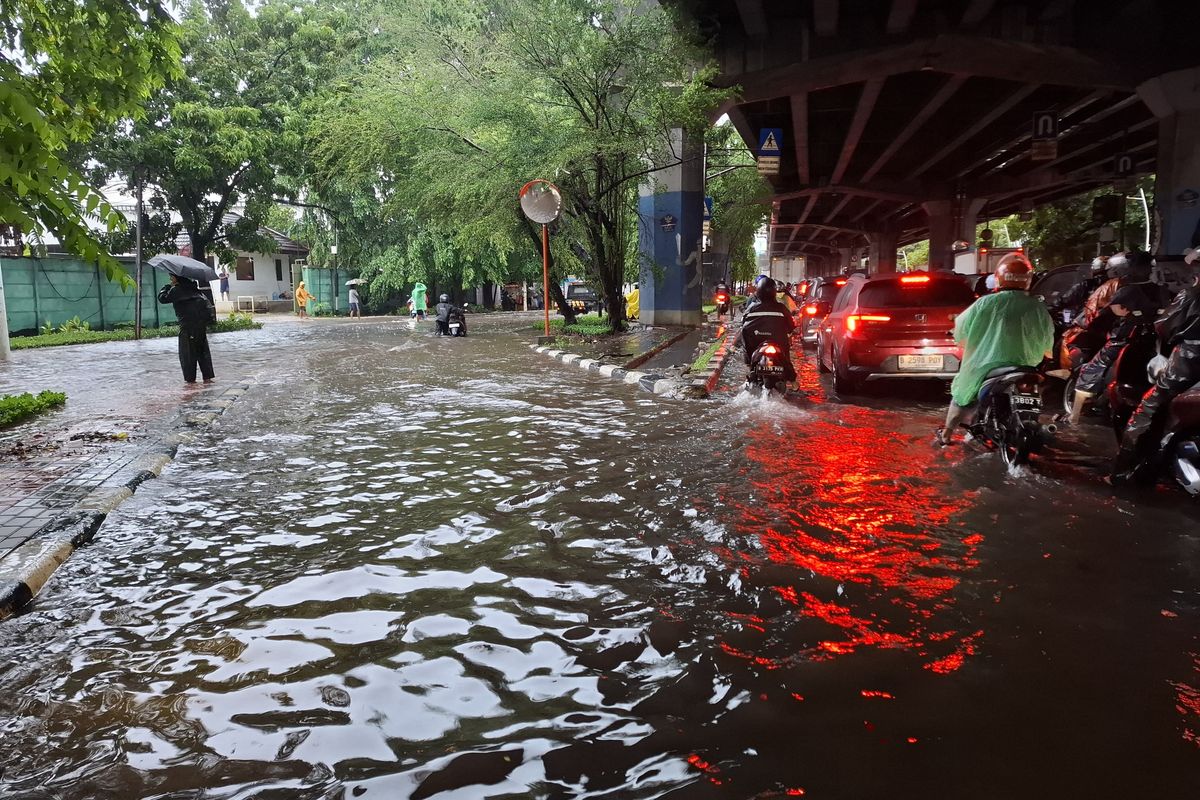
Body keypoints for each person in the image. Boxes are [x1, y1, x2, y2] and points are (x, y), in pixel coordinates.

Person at [937, 254, 1054, 446]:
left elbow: (961, 330)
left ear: (999, 278)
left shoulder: (985, 303)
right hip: (1025, 366)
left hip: (986, 365)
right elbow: (1047, 339)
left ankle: (947, 433)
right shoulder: (1036, 306)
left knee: (962, 392)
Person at [1111, 272, 1200, 483]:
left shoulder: (1190, 295)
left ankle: (1125, 473)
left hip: (1188, 361)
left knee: (1148, 407)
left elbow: (1163, 325)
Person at [1068, 282, 1167, 424]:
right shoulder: (1153, 308)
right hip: (1145, 351)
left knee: (1089, 371)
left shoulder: (1125, 296)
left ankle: (1074, 416)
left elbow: (1101, 318)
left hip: (1120, 347)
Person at [735, 278, 797, 383]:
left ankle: (750, 366)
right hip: (778, 341)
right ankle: (793, 380)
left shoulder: (752, 307)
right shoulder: (781, 308)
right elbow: (791, 324)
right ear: (774, 292)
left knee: (747, 350)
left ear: (758, 292)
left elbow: (743, 322)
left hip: (756, 341)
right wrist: (791, 330)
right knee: (786, 358)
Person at [158, 275, 215, 385]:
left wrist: (167, 287)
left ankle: (191, 383)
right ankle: (208, 380)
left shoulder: (176, 290)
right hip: (201, 327)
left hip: (187, 327)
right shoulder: (195, 289)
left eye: (171, 278)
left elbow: (162, 298)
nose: (170, 280)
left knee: (187, 356)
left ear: (177, 278)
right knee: (203, 354)